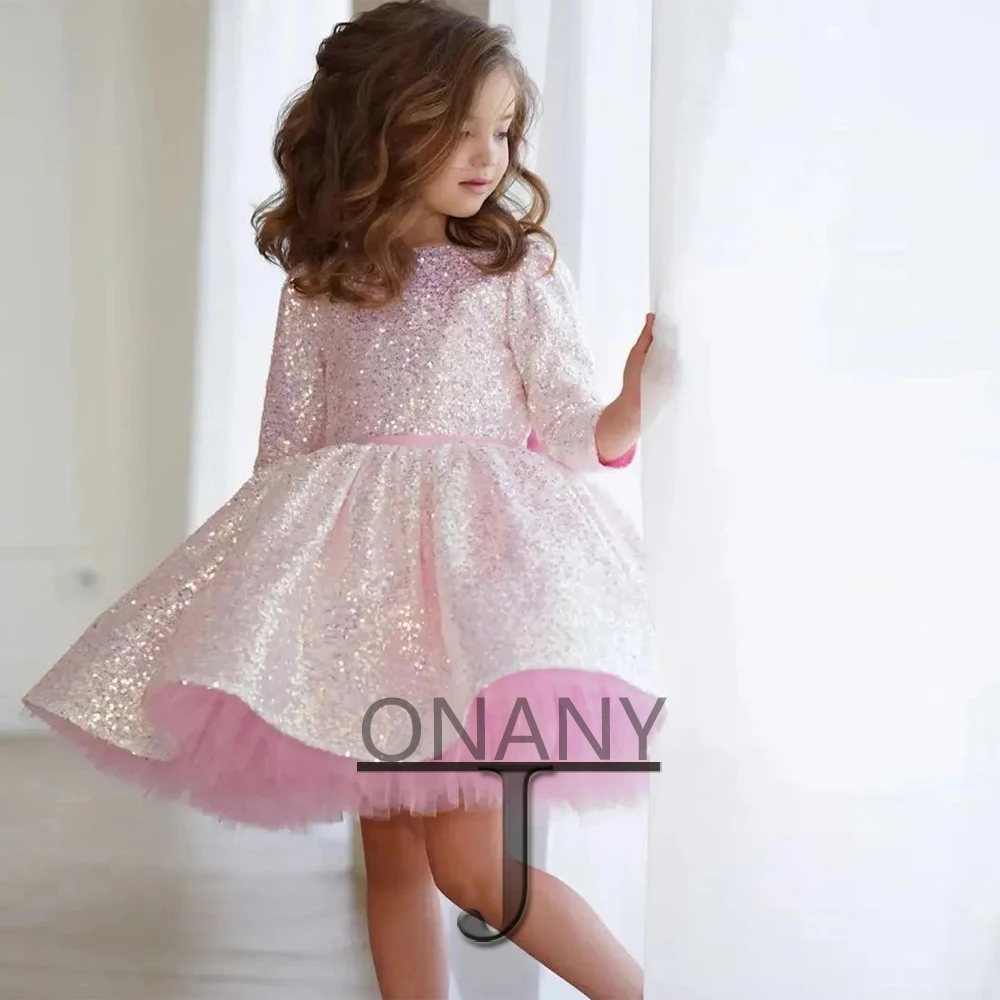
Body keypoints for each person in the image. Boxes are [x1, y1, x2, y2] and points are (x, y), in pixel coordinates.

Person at [24, 2, 666, 997]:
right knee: (395, 866)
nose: (487, 156)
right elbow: (287, 453)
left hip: (478, 604)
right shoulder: (322, 284)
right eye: (456, 129)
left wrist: (631, 402)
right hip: (361, 608)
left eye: (501, 131)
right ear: (377, 128)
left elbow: (573, 429)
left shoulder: (513, 269)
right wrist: (261, 605)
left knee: (471, 867)